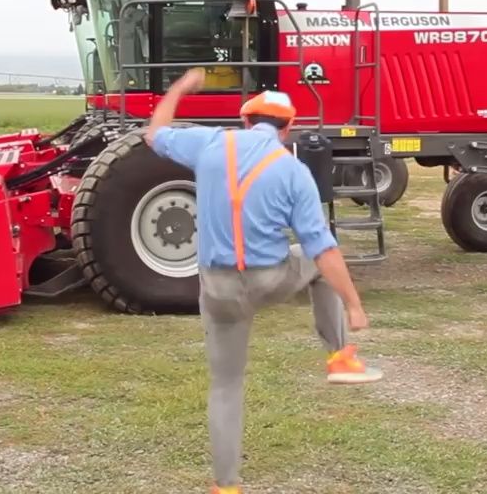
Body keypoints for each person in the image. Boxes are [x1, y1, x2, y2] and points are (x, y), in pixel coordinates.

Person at [145, 68, 383, 494]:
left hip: (217, 288)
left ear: (244, 120)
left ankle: (227, 486)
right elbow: (323, 249)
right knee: (313, 258)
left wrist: (180, 88)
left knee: (226, 386)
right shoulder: (293, 172)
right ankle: (339, 356)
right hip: (270, 277)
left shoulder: (210, 143)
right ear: (288, 128)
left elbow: (155, 133)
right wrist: (354, 304)